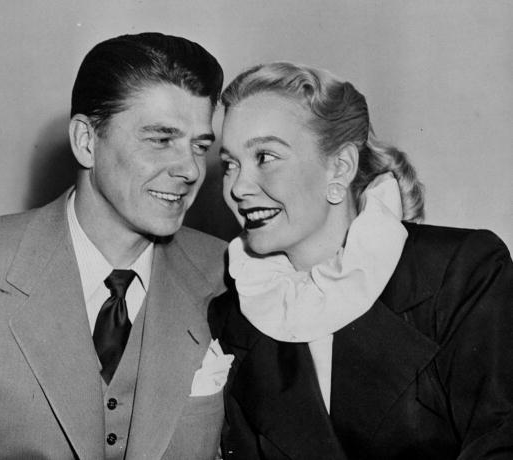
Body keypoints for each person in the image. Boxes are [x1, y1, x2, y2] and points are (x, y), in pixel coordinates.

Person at [0, 33, 232, 460]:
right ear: (86, 140)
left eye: (199, 146)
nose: (190, 169)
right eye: (161, 139)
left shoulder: (228, 273)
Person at [209, 62, 513, 459]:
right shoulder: (234, 314)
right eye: (230, 165)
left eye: (265, 156)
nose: (239, 187)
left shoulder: (462, 272)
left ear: (340, 167)